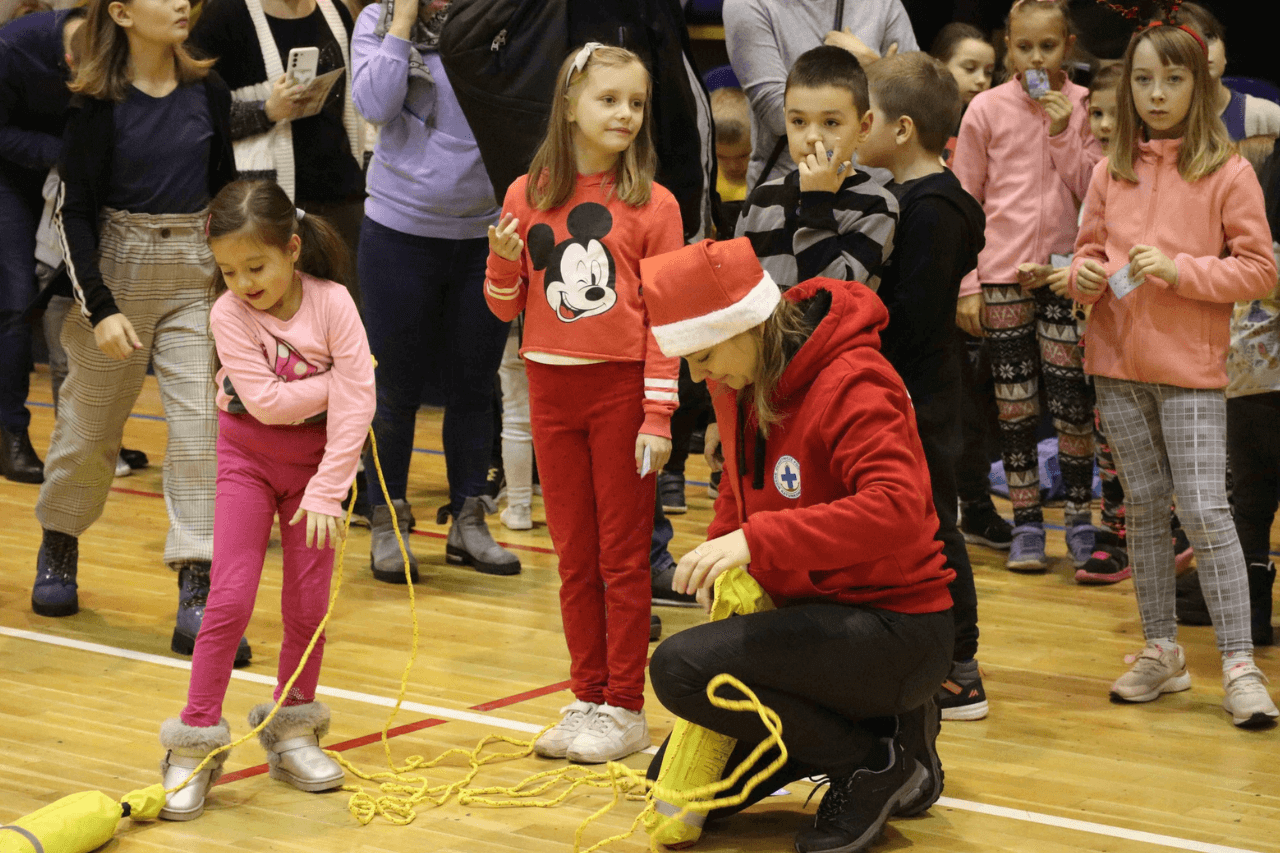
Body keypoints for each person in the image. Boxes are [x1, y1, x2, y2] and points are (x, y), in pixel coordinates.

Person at [641, 237, 954, 853]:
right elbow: (739, 487)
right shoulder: (740, 378)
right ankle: (883, 733)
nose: (700, 377)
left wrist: (757, 542)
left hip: (897, 627)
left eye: (703, 357)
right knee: (676, 779)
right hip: (811, 620)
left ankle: (874, 760)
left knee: (680, 669)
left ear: (748, 324)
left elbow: (898, 508)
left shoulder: (854, 380)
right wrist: (722, 564)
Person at [1068, 22, 1278, 728]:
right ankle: (1162, 650)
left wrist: (1182, 270)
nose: (1157, 94)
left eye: (1174, 80)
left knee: (1207, 512)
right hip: (1116, 367)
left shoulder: (1230, 172)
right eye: (1144, 80)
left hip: (1191, 371)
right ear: (1126, 87)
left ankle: (1240, 664)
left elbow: (1261, 269)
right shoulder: (1108, 169)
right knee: (1143, 513)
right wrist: (1084, 276)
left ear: (1202, 85)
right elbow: (1083, 260)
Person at [34, 0, 252, 665]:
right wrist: (99, 308)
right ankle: (60, 538)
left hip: (192, 270)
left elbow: (224, 187)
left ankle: (197, 588)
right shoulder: (94, 103)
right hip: (114, 270)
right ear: (123, 13)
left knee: (198, 434)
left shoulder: (208, 90)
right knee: (88, 434)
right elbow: (72, 217)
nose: (181, 3)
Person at [484, 43, 683, 763]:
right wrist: (502, 258)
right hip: (547, 386)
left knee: (623, 558)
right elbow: (503, 303)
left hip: (621, 393)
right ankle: (587, 693)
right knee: (573, 554)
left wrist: (658, 413)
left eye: (636, 103)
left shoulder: (654, 205)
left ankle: (625, 705)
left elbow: (668, 320)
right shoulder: (524, 193)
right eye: (609, 100)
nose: (625, 114)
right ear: (569, 105)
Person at [156, 179, 375, 820]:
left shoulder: (333, 303)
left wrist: (331, 491)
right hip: (246, 460)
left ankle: (293, 729)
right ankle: (193, 742)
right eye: (229, 270)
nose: (244, 282)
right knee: (228, 598)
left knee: (308, 606)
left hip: (318, 474)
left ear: (292, 249)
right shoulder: (227, 314)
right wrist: (344, 380)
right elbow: (271, 405)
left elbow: (359, 409)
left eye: (256, 266)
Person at [351, 0, 518, 582]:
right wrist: (401, 24)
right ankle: (386, 521)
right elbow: (374, 105)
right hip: (399, 230)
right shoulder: (377, 17)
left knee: (476, 386)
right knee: (393, 390)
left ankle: (469, 521)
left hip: (487, 233)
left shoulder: (500, 14)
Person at [859, 51, 988, 722]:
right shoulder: (903, 197)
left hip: (920, 395)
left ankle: (961, 668)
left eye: (866, 115)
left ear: (901, 128)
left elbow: (910, 315)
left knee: (937, 522)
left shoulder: (934, 208)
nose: (855, 125)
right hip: (902, 389)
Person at [952, 0, 1103, 571]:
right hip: (1002, 279)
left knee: (1072, 407)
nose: (1036, 58)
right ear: (1008, 47)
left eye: (1048, 47)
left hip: (1067, 279)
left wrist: (1066, 131)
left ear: (1068, 45)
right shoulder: (986, 109)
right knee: (1014, 411)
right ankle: (1027, 526)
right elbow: (965, 200)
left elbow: (1097, 189)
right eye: (1024, 48)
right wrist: (968, 281)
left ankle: (1082, 523)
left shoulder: (1090, 107)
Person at [187, 0, 366, 307]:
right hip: (271, 209)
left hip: (342, 196)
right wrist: (266, 111)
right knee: (276, 328)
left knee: (344, 319)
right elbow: (194, 116)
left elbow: (351, 103)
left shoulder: (334, 9)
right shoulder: (225, 15)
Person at [0, 5, 84, 484]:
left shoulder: (110, 40)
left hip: (66, 175)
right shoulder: (13, 48)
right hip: (9, 178)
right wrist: (59, 153)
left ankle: (88, 435)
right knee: (14, 307)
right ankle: (11, 436)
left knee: (81, 302)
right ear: (71, 65)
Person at [735, 45, 898, 292]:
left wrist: (816, 201)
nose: (812, 137)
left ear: (863, 128)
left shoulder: (877, 206)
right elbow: (738, 291)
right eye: (798, 121)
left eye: (831, 122)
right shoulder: (761, 199)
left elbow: (832, 296)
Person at [722, 0, 917, 190]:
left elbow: (915, 101)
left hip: (879, 188)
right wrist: (872, 74)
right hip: (788, 191)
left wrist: (873, 65)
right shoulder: (748, 4)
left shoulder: (883, 4)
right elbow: (777, 114)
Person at [1224, 134, 1280, 647]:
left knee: (1252, 505)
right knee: (1251, 505)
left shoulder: (1242, 247)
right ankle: (1253, 615)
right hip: (1254, 384)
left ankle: (1252, 617)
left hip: (1247, 384)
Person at [1173, 2, 1280, 141]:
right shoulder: (1157, 125)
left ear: (1224, 51)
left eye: (1209, 36)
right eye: (1189, 41)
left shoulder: (1267, 116)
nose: (1203, 48)